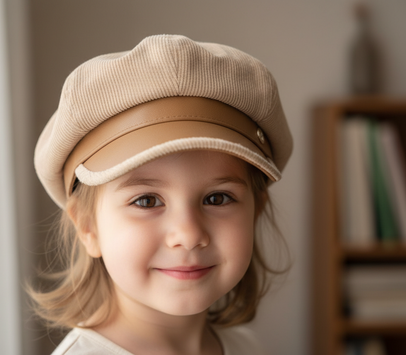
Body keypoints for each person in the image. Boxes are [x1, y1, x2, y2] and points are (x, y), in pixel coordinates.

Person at [31, 34, 293, 355]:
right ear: (88, 227)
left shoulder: (246, 347)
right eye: (147, 200)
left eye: (217, 198)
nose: (188, 235)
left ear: (256, 212)